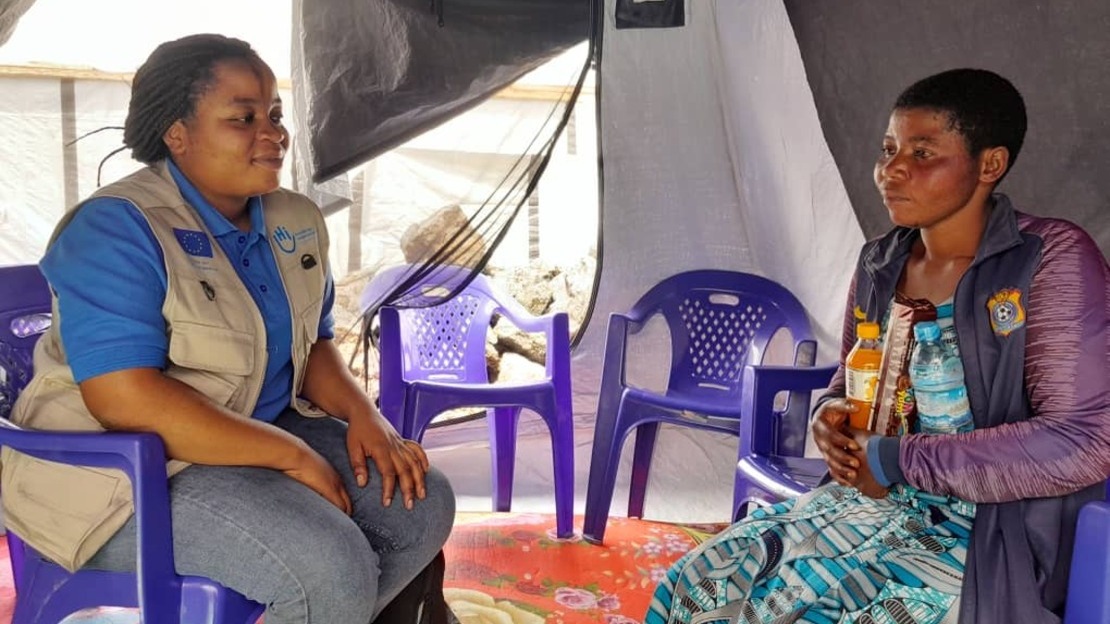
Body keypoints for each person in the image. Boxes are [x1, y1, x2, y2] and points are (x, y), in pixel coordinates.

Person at [0, 34, 455, 623]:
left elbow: (313, 344)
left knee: (422, 502)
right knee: (327, 564)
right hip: (117, 474)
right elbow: (123, 397)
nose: (273, 133)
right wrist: (291, 456)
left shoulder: (295, 217)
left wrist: (365, 416)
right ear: (177, 134)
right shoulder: (115, 229)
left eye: (274, 114)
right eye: (243, 118)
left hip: (247, 436)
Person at [646, 68, 1109, 623]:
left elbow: (1084, 439)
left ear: (990, 165)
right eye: (888, 150)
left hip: (992, 527)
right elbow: (851, 376)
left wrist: (898, 458)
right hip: (877, 503)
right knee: (699, 582)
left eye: (922, 154)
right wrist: (830, 416)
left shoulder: (1047, 260)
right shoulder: (881, 262)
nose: (892, 171)